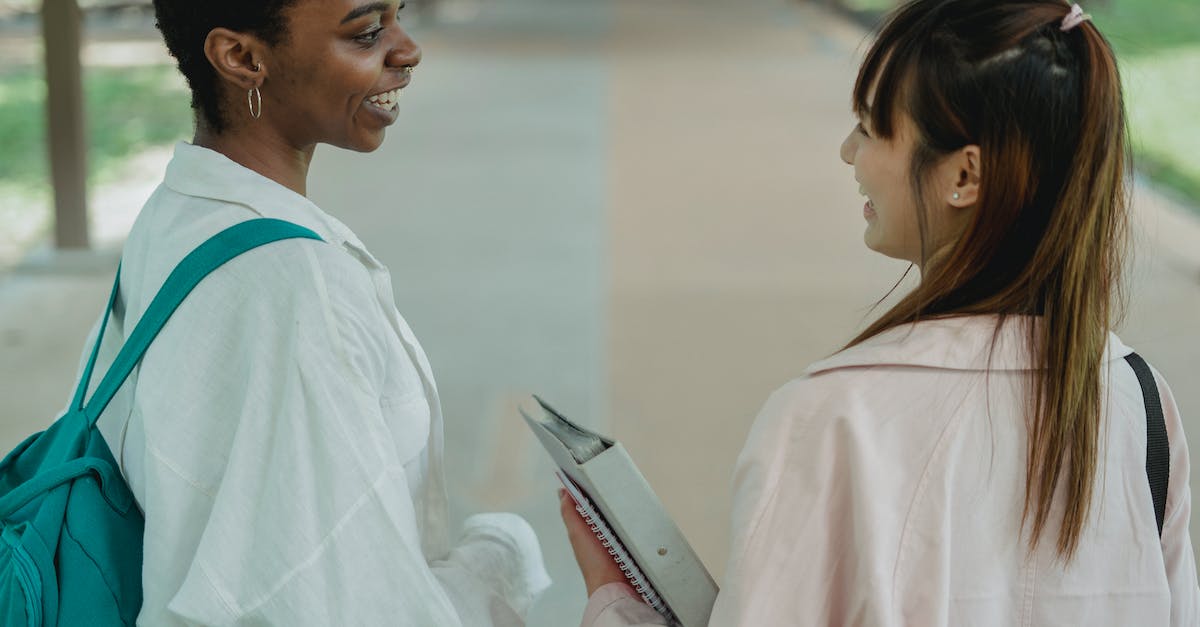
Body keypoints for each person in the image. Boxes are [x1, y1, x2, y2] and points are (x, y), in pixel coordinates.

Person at [562, 0, 1200, 625]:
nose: (848, 152)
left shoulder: (833, 418)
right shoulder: (1139, 403)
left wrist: (612, 601)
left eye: (870, 128)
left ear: (964, 176)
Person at [74, 0, 550, 624]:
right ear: (242, 58)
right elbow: (337, 602)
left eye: (398, 14)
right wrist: (499, 558)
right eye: (367, 32)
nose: (407, 50)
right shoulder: (297, 290)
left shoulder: (179, 211)